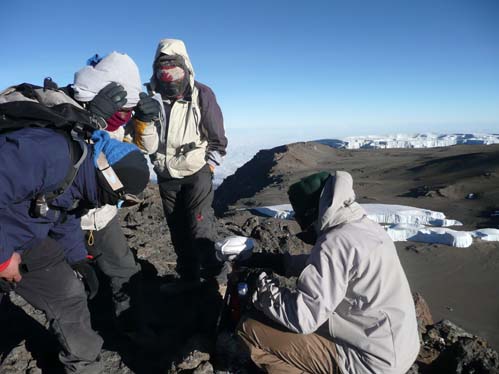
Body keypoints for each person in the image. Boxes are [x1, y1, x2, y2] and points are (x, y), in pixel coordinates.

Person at [0, 84, 150, 373]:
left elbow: (65, 214)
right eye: (123, 198)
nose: (119, 204)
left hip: (28, 239)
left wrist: (77, 257)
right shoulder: (46, 153)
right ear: (109, 176)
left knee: (69, 297)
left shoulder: (81, 178)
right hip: (6, 243)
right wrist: (5, 257)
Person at [237, 171, 420, 374]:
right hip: (398, 348)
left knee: (250, 329)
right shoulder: (363, 226)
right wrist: (280, 262)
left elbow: (303, 318)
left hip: (371, 363)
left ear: (312, 213)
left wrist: (259, 286)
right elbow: (331, 267)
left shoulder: (336, 241)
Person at [71, 52, 159, 338]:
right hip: (65, 219)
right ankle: (85, 337)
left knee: (123, 271)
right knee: (74, 286)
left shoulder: (117, 120)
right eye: (123, 110)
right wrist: (89, 120)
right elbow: (57, 162)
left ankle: (131, 331)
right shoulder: (64, 109)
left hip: (103, 216)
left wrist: (144, 122)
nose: (124, 117)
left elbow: (141, 153)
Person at [146, 38, 228, 292]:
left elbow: (217, 138)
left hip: (196, 172)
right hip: (166, 173)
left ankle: (219, 280)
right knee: (178, 230)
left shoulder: (201, 93)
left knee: (199, 226)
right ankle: (189, 279)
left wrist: (209, 166)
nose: (170, 77)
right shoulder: (150, 96)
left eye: (175, 71)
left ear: (186, 68)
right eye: (164, 72)